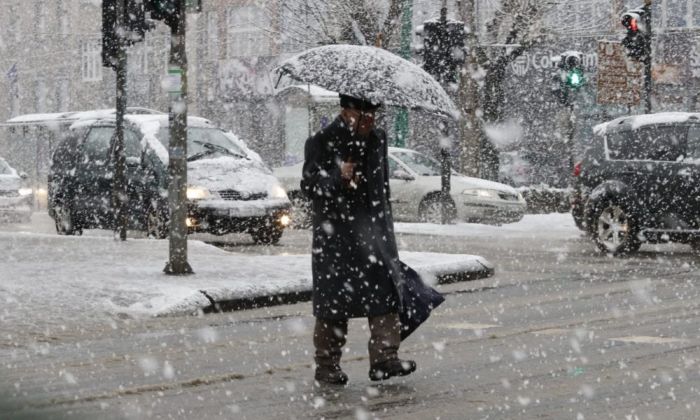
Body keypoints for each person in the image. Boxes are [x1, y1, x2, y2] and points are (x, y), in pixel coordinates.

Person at [301, 94, 417, 385]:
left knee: (384, 296)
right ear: (346, 110)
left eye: (373, 113)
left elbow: (381, 187)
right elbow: (309, 185)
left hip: (373, 233)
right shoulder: (322, 140)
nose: (369, 119)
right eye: (363, 113)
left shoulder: (377, 139)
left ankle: (384, 359)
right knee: (333, 305)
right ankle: (326, 364)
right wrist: (336, 177)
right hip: (336, 236)